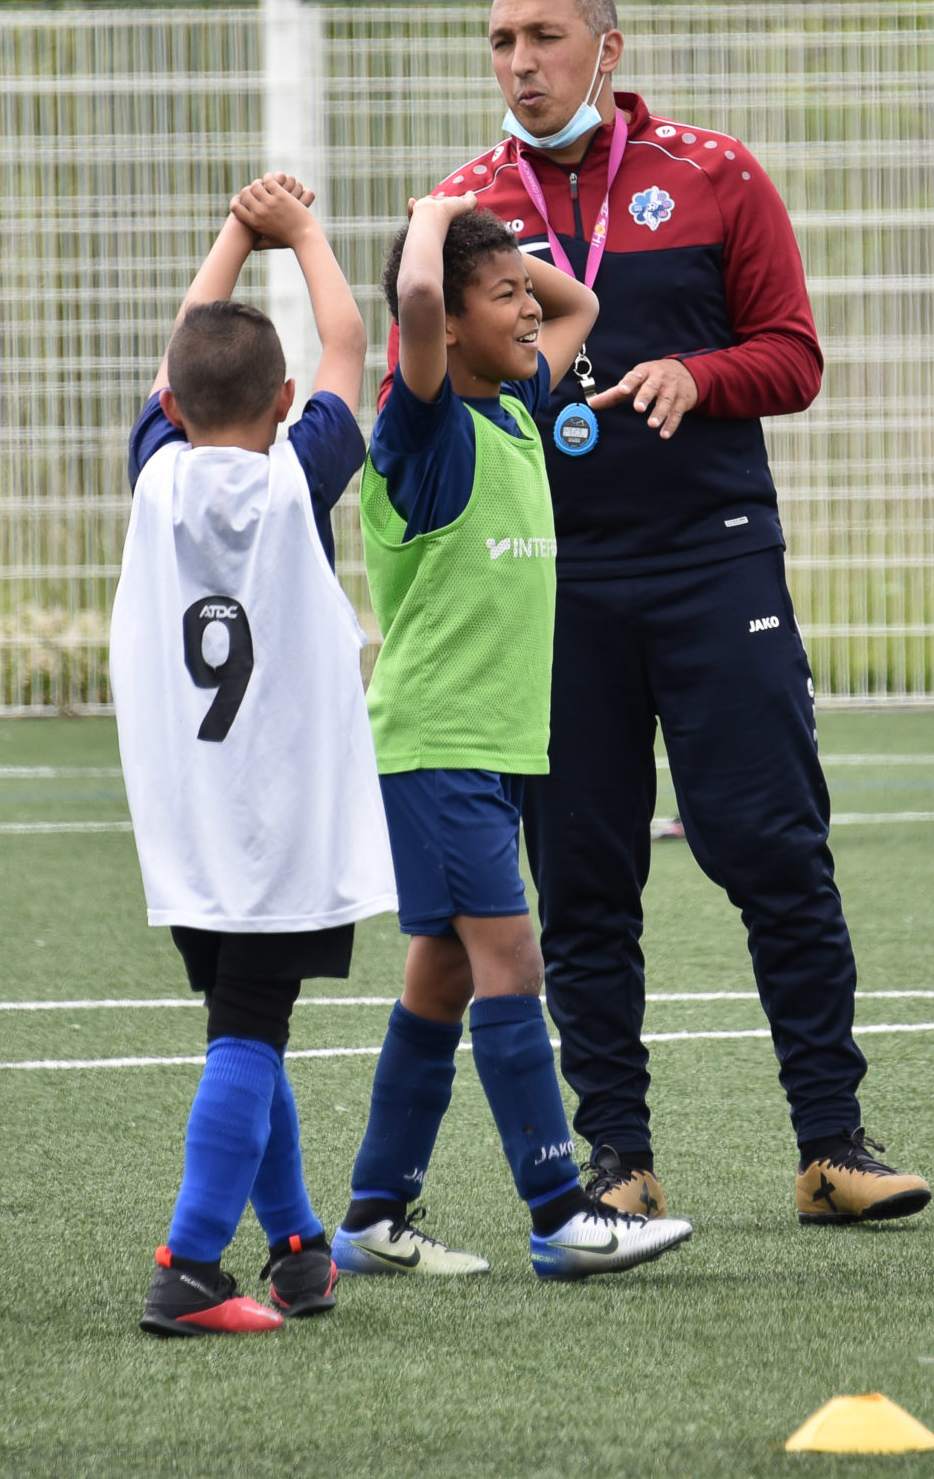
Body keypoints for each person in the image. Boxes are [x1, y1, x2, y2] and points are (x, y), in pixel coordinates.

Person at [405, 0, 933, 1229]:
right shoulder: (467, 210)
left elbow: (793, 355)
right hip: (552, 582)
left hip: (713, 557)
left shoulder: (715, 174)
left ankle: (830, 1144)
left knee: (775, 849)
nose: (518, 63)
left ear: (608, 47)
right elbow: (423, 380)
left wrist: (700, 375)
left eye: (542, 36)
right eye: (498, 41)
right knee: (582, 879)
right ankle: (619, 1157)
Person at [334, 194, 693, 1282]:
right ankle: (559, 1213)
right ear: (446, 327)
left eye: (523, 292)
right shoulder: (426, 425)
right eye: (503, 297)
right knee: (512, 959)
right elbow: (415, 293)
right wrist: (443, 217)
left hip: (490, 748)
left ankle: (372, 1215)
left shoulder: (515, 405)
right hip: (439, 741)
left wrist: (505, 258)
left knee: (441, 978)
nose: (531, 311)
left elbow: (583, 304)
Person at [114, 174, 395, 1337]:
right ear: (285, 400)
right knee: (247, 1032)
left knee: (247, 1023)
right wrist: (303, 233)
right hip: (276, 820)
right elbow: (349, 341)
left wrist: (235, 231)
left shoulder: (153, 470)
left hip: (187, 818)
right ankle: (188, 1263)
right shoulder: (297, 477)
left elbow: (188, 356)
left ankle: (295, 1244)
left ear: (171, 401)